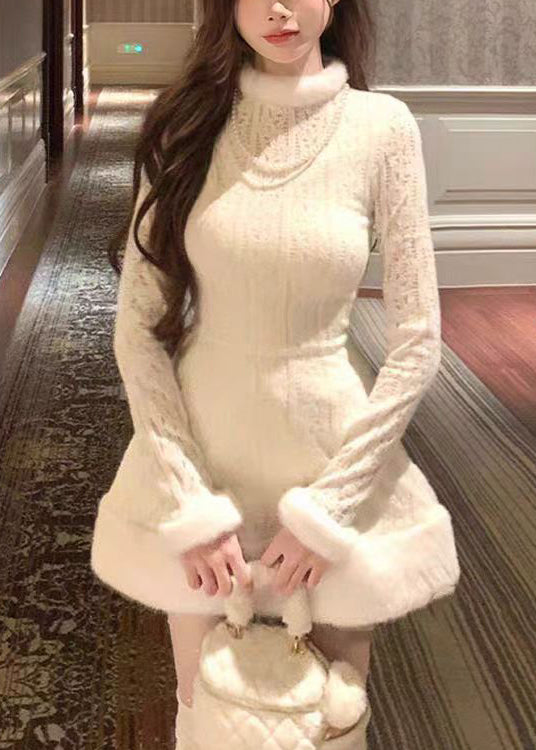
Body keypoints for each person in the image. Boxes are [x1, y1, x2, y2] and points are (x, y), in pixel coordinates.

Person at [90, 0, 460, 747]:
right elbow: (138, 332)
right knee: (206, 716)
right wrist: (192, 505)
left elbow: (419, 339)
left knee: (326, 722)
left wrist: (328, 511)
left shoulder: (382, 128)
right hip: (203, 455)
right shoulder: (187, 124)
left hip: (331, 457)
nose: (279, 8)